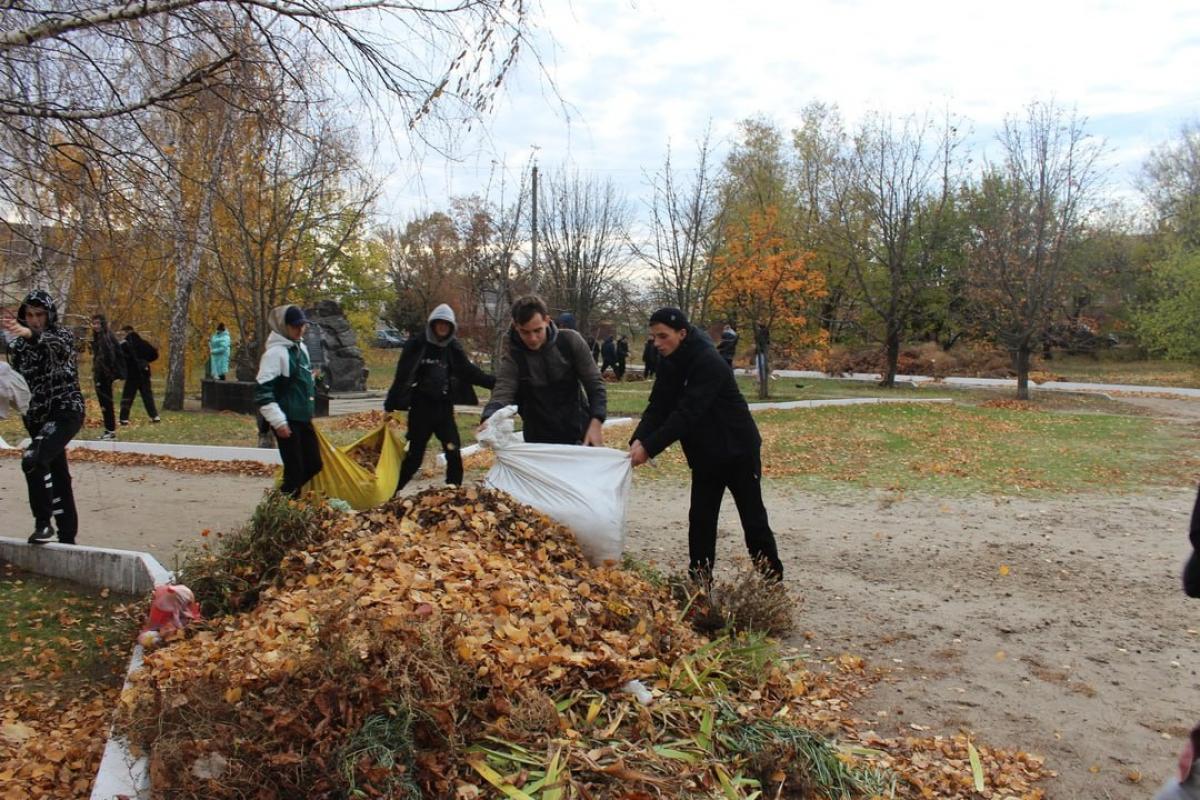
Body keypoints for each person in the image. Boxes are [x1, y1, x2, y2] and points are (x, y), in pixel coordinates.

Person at [628, 307, 783, 582]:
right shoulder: (668, 360)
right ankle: (700, 584)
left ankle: (771, 581)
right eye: (654, 337)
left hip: (738, 450)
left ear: (682, 333)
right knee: (701, 520)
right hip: (705, 455)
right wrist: (639, 439)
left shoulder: (708, 361)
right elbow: (659, 405)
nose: (657, 343)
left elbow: (687, 413)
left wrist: (650, 448)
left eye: (663, 336)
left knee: (753, 519)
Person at [2, 290, 85, 545]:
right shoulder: (16, 346)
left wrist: (28, 333)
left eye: (39, 314)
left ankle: (43, 524)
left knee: (33, 459)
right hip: (37, 416)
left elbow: (52, 345)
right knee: (57, 472)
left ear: (49, 315)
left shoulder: (61, 336)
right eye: (29, 315)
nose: (35, 319)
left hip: (65, 410)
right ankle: (68, 537)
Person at [384, 303, 495, 492]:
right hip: (420, 408)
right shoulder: (417, 344)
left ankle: (454, 490)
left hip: (443, 409)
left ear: (451, 327)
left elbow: (469, 371)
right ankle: (391, 492)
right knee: (415, 456)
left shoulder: (452, 347)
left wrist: (495, 383)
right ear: (432, 324)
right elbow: (402, 374)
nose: (442, 328)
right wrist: (391, 403)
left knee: (453, 449)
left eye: (446, 324)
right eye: (439, 324)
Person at [481, 295, 606, 445]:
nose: (533, 338)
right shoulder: (513, 358)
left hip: (580, 434)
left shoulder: (570, 342)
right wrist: (488, 418)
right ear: (515, 326)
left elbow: (594, 382)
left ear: (547, 320)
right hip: (538, 442)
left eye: (537, 330)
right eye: (525, 332)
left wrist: (597, 420)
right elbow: (502, 393)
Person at [256, 304, 323, 497]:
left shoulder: (300, 348)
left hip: (303, 417)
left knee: (314, 464)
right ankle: (280, 510)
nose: (300, 329)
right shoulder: (275, 353)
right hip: (286, 420)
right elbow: (263, 392)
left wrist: (312, 379)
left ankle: (283, 502)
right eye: (295, 326)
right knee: (295, 472)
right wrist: (278, 422)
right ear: (284, 326)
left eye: (302, 325)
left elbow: (298, 378)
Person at [90, 313, 125, 440]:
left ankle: (110, 431)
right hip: (103, 375)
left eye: (98, 323)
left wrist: (105, 374)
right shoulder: (101, 337)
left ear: (103, 324)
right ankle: (109, 430)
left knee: (106, 403)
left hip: (104, 376)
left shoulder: (105, 338)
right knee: (105, 403)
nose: (95, 326)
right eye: (94, 323)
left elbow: (109, 357)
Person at [119, 325, 160, 424]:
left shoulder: (124, 344)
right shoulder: (143, 343)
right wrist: (145, 360)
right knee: (147, 395)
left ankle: (124, 418)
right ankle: (154, 416)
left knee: (127, 396)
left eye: (123, 333)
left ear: (126, 332)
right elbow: (155, 355)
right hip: (144, 372)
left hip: (132, 374)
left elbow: (119, 357)